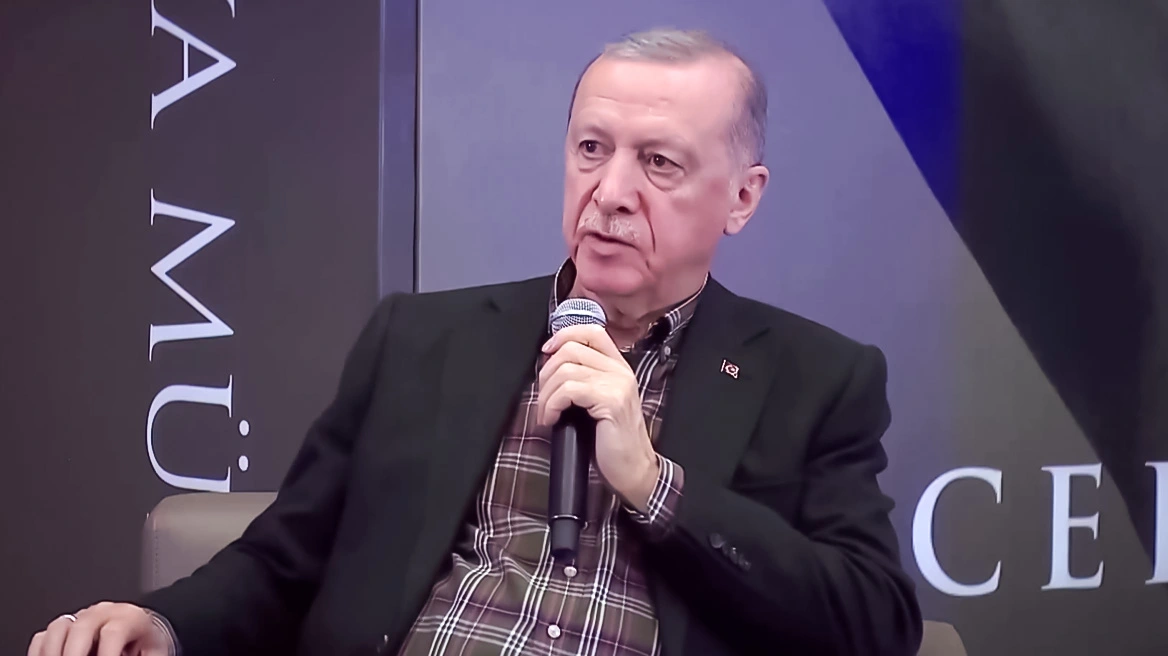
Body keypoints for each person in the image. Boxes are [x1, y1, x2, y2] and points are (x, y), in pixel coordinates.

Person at [28, 28, 922, 656]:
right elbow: (285, 557)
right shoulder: (422, 339)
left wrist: (655, 486)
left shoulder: (816, 379)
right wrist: (165, 626)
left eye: (659, 162)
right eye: (591, 148)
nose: (611, 191)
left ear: (743, 197)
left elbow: (875, 624)